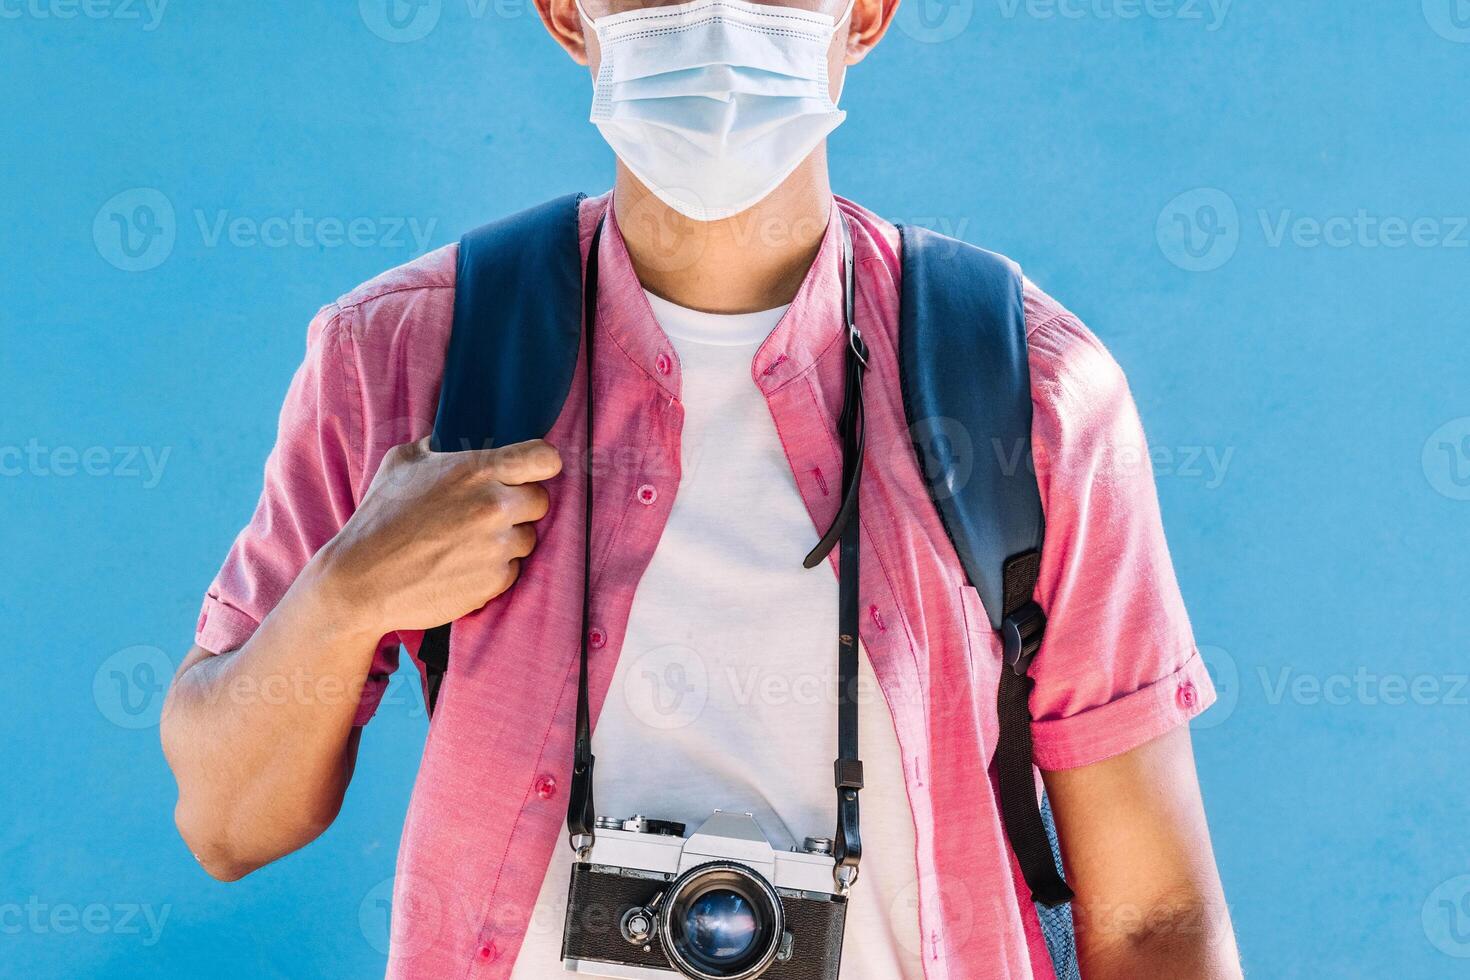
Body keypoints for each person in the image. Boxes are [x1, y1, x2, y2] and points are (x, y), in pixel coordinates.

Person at [161, 0, 1243, 977]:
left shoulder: (1029, 391)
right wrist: (344, 595)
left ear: (865, 13)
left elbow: (1154, 919)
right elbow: (225, 818)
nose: (717, 18)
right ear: (563, 15)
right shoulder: (406, 356)